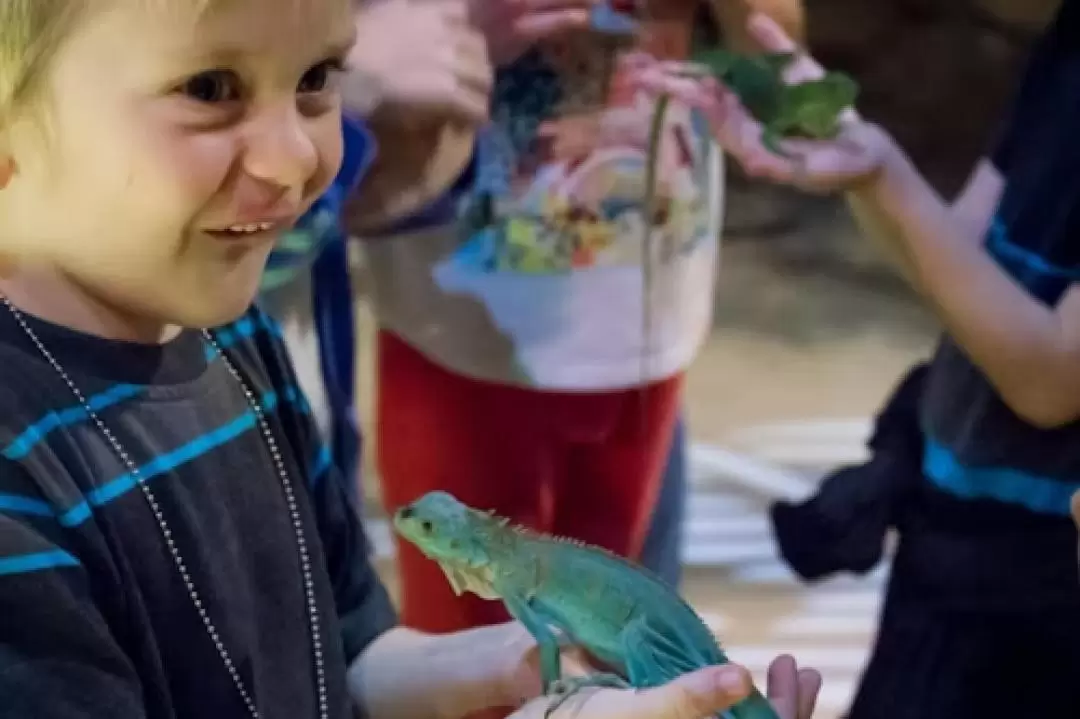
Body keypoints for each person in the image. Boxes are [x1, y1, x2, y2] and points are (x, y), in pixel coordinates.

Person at [0, 0, 824, 717]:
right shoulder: (19, 487)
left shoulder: (243, 344)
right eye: (210, 89)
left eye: (320, 75)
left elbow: (349, 657)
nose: (298, 158)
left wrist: (521, 671)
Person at [637, 4, 1080, 718]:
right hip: (946, 519)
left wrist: (882, 178)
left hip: (1047, 580)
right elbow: (954, 253)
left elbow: (1052, 378)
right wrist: (860, 162)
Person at [347, 0, 805, 634]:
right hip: (457, 333)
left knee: (617, 646)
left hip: (650, 325)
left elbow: (782, 81)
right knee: (474, 655)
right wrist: (451, 30)